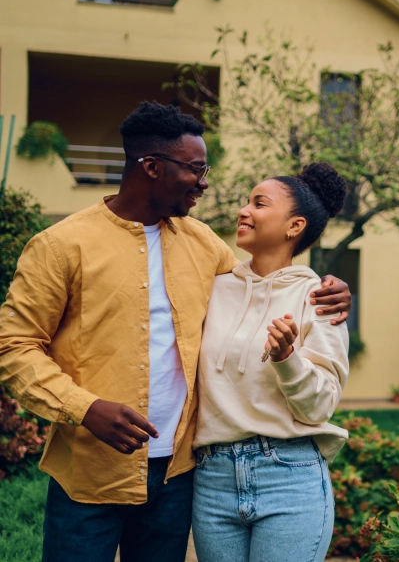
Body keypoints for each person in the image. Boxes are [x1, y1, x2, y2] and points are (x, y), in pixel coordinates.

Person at [0, 102, 351, 562]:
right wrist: (85, 409)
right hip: (89, 471)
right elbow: (14, 347)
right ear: (151, 167)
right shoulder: (60, 246)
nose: (204, 182)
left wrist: (332, 289)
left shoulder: (205, 245)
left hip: (179, 477)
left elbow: (265, 282)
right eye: (195, 169)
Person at [191, 162, 349, 562]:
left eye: (259, 204)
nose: (244, 211)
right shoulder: (213, 287)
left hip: (289, 476)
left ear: (294, 226)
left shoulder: (320, 299)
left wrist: (287, 359)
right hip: (213, 478)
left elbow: (322, 406)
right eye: (247, 202)